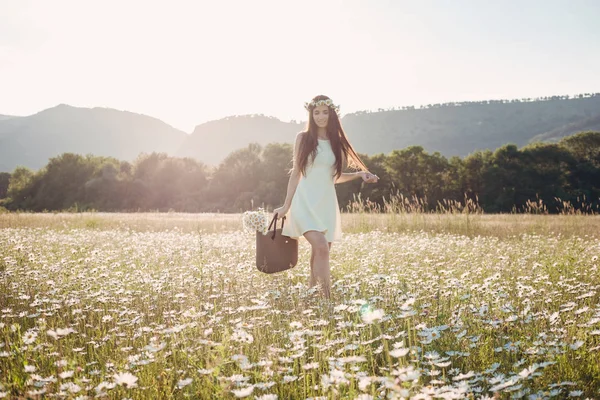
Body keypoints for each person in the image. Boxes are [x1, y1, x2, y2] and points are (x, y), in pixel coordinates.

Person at [273, 95, 379, 299]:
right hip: (304, 201)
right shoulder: (303, 138)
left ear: (332, 114)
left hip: (326, 203)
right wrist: (286, 206)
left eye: (324, 112)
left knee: (319, 252)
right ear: (311, 115)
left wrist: (359, 174)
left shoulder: (336, 142)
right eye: (316, 112)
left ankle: (310, 297)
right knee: (321, 247)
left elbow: (334, 177)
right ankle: (327, 296)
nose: (320, 116)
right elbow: (296, 173)